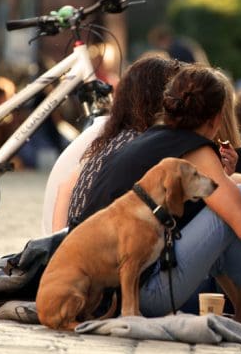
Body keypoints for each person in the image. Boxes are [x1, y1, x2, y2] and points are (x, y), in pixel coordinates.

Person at [71, 64, 241, 329]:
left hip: (97, 294)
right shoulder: (196, 149)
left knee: (234, 203)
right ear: (216, 118)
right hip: (138, 297)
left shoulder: (149, 141)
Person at [41, 55, 178, 235]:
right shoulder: (135, 142)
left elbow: (65, 189)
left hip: (62, 240)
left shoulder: (113, 134)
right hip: (76, 247)